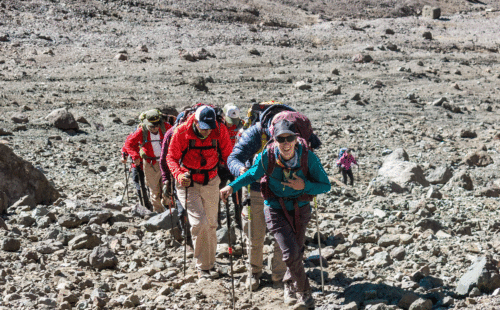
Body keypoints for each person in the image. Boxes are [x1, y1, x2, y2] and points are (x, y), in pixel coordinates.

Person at [221, 119, 331, 309]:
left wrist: (304, 185)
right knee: (289, 253)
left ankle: (289, 286)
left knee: (296, 252)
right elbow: (252, 174)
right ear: (275, 141)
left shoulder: (308, 158)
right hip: (275, 208)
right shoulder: (268, 157)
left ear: (296, 140)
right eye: (281, 139)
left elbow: (325, 185)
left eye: (290, 138)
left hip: (300, 209)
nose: (286, 143)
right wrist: (231, 186)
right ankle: (306, 295)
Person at [166, 105, 233, 279]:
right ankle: (203, 268)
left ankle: (210, 264)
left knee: (211, 224)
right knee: (200, 223)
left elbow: (228, 155)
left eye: (209, 128)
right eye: (203, 127)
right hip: (188, 183)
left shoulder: (220, 130)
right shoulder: (182, 132)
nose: (206, 132)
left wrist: (238, 175)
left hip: (211, 180)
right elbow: (171, 157)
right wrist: (179, 175)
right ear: (195, 121)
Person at [123, 109, 172, 213]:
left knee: (168, 187)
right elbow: (128, 144)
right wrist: (135, 156)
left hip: (165, 163)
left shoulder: (166, 127)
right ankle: (159, 212)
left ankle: (168, 208)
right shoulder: (142, 131)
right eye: (151, 126)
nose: (154, 128)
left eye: (156, 125)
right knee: (154, 190)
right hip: (150, 164)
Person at [120, 141, 151, 210]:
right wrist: (124, 156)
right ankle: (146, 203)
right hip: (143, 164)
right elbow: (125, 148)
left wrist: (124, 156)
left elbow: (125, 148)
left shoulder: (132, 139)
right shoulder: (142, 137)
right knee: (141, 184)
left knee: (142, 184)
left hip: (143, 164)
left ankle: (145, 204)